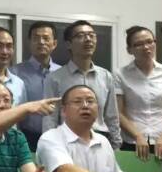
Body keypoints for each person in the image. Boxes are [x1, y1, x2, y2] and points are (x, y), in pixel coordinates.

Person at [37, 85, 162, 172]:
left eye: (90, 101)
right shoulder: (51, 137)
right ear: (64, 111)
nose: (85, 106)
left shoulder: (103, 141)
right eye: (77, 101)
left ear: (98, 109)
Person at [114, 26, 162, 172]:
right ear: (129, 49)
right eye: (138, 44)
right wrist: (138, 136)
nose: (146, 47)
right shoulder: (120, 74)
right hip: (133, 143)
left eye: (149, 42)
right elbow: (119, 112)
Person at [43, 20, 121, 149]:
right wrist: (49, 146)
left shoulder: (106, 76)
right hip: (68, 141)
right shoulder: (54, 78)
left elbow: (111, 115)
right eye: (81, 36)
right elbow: (50, 118)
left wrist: (116, 145)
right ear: (69, 44)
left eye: (92, 35)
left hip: (101, 141)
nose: (88, 39)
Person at [11, 21, 61, 150]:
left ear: (54, 43)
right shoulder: (14, 73)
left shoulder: (63, 74)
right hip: (26, 137)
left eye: (46, 38)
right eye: (36, 38)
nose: (41, 42)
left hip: (59, 137)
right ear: (29, 42)